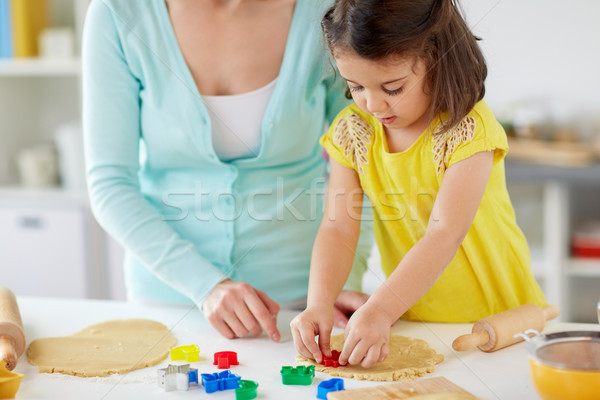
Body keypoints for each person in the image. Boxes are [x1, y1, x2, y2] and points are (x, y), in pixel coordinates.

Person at [82, 0, 372, 342]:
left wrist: (339, 283)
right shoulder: (118, 13)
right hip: (169, 304)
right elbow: (110, 184)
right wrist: (206, 286)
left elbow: (362, 169)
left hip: (305, 305)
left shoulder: (328, 10)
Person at [290, 0, 546, 368]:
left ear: (437, 58)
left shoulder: (468, 128)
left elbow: (444, 234)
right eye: (356, 86)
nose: (373, 104)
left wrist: (379, 308)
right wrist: (318, 303)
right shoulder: (352, 130)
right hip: (414, 316)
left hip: (500, 321)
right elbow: (337, 227)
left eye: (392, 88)